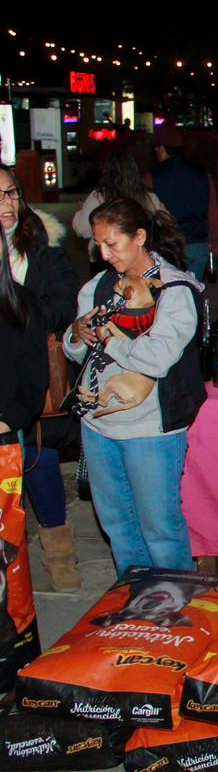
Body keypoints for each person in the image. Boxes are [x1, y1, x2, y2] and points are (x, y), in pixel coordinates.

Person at [63, 199, 205, 573]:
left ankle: (173, 597)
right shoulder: (97, 287)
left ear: (139, 237)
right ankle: (135, 595)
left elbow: (157, 357)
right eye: (98, 244)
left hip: (150, 430)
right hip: (98, 424)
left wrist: (109, 339)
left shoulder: (174, 289)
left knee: (160, 529)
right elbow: (76, 353)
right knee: (118, 526)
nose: (104, 254)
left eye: (112, 243)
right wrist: (77, 335)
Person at [1, 166, 81, 589]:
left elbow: (65, 306)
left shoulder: (42, 246)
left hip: (31, 377)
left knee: (39, 458)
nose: (7, 204)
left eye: (12, 193)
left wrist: (15, 302)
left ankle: (60, 556)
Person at [0, 226, 49, 506]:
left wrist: (8, 420)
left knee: (5, 524)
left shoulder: (21, 302)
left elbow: (35, 372)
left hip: (3, 430)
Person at [150, 126, 218, 280]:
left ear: (162, 149)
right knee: (193, 289)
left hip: (167, 246)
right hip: (198, 242)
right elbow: (213, 212)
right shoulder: (202, 174)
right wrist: (213, 240)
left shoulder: (152, 176)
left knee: (168, 290)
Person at [72, 151, 166, 246]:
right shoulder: (149, 198)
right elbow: (165, 224)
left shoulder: (98, 197)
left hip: (106, 252)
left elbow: (81, 229)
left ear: (106, 172)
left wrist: (83, 211)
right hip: (141, 249)